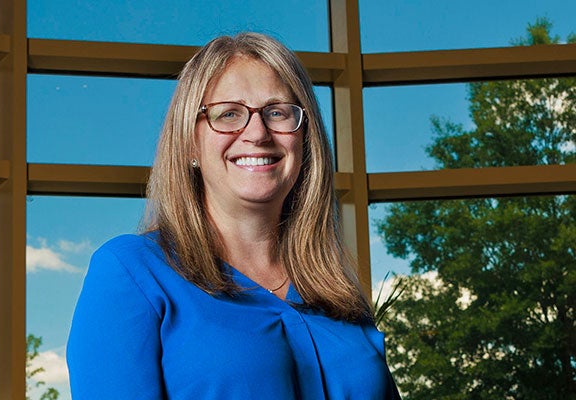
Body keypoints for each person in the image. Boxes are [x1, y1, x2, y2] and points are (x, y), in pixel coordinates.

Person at [67, 32, 400, 399]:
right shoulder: (131, 273)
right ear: (190, 142)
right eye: (228, 114)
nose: (257, 133)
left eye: (277, 112)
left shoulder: (337, 293)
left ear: (305, 139)